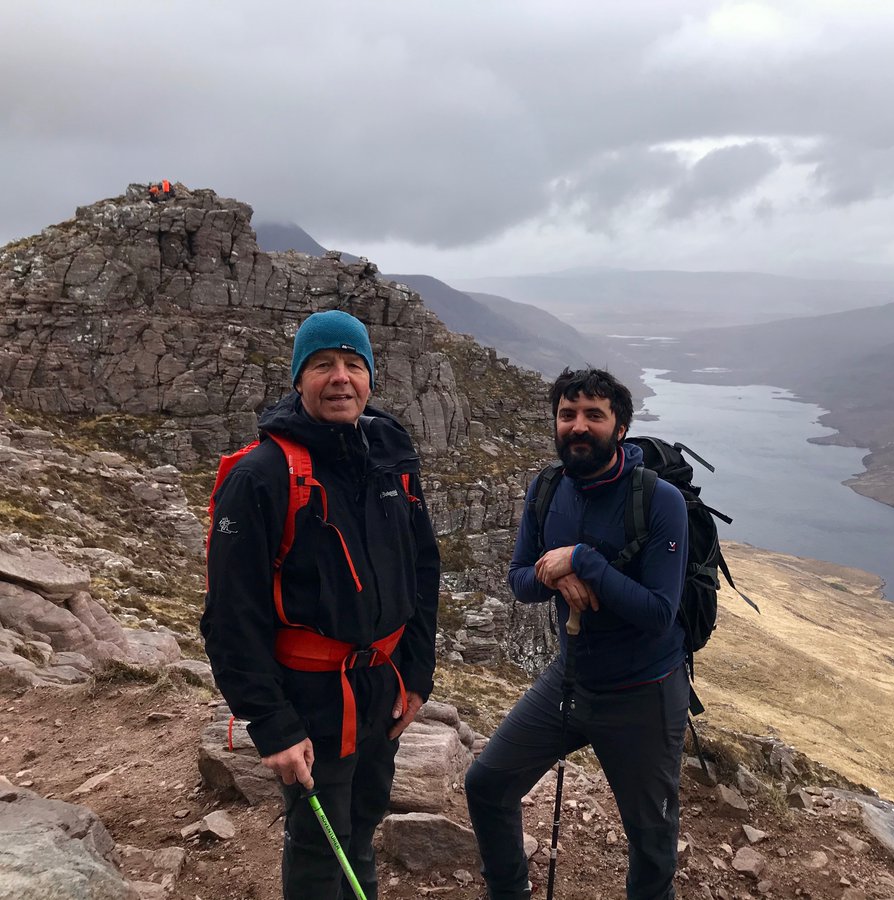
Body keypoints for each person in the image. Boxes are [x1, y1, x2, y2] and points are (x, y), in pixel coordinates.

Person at [201, 309, 440, 900]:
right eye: (323, 365)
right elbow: (231, 616)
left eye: (354, 365)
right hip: (312, 698)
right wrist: (274, 727)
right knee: (317, 838)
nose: (341, 378)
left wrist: (416, 674)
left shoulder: (391, 456)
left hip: (382, 687)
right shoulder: (262, 475)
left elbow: (422, 567)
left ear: (371, 378)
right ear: (298, 379)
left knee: (364, 821)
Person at [466, 367, 690, 900]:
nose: (579, 426)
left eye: (594, 415)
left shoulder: (660, 502)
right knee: (487, 786)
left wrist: (585, 560)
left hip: (644, 694)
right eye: (568, 415)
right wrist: (556, 571)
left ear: (620, 427)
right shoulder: (547, 489)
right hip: (568, 684)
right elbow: (520, 579)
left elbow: (660, 612)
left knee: (651, 841)